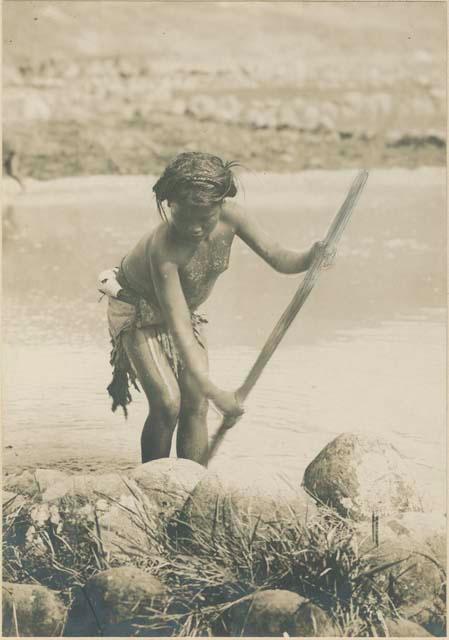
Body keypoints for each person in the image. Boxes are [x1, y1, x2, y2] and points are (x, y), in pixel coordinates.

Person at [99, 152, 329, 465]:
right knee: (168, 403)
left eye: (204, 218)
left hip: (180, 312)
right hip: (137, 307)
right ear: (169, 205)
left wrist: (311, 257)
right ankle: (154, 486)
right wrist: (218, 393)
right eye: (185, 217)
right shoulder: (163, 247)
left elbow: (278, 256)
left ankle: (193, 486)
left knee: (196, 402)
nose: (195, 228)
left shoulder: (233, 218)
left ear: (221, 205)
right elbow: (179, 326)